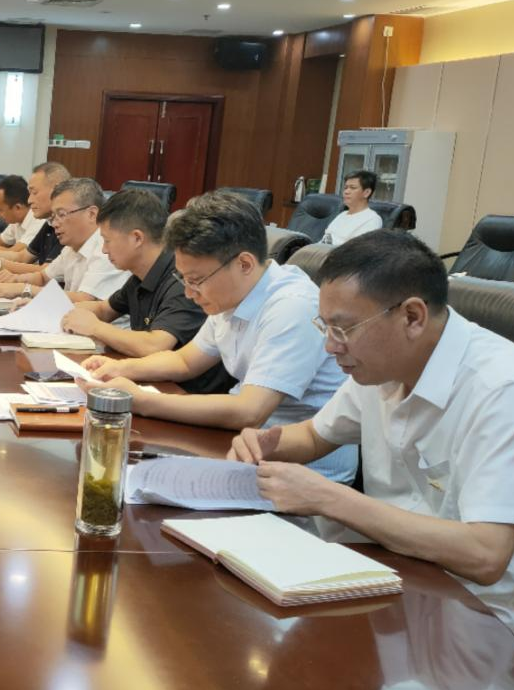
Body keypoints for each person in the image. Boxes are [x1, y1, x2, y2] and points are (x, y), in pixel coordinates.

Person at [227, 230, 514, 657]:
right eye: (325, 326)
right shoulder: (381, 364)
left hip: (483, 622)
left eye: (343, 328)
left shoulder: (506, 389)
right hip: (389, 573)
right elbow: (315, 435)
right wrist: (265, 441)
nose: (330, 346)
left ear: (412, 317)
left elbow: (485, 555)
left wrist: (328, 498)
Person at [82, 191, 355, 482]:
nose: (189, 293)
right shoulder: (231, 293)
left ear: (244, 264)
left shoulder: (292, 306)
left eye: (196, 280)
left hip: (303, 472)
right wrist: (119, 368)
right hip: (241, 447)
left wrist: (140, 400)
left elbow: (249, 411)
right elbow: (185, 361)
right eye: (184, 279)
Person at [61, 190, 234, 394]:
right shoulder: (141, 275)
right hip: (157, 383)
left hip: (184, 392)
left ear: (137, 238)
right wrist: (60, 311)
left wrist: (95, 327)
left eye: (107, 241)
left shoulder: (182, 279)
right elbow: (104, 309)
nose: (104, 250)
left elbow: (156, 346)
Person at [0, 178, 126, 303]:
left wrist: (24, 289)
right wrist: (15, 280)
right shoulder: (72, 246)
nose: (55, 223)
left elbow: (84, 300)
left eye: (61, 215)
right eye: (54, 216)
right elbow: (43, 277)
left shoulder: (106, 249)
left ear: (92, 214)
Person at [322, 170, 383, 245]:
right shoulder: (342, 215)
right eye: (345, 188)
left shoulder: (372, 219)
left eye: (352, 188)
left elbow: (358, 249)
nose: (346, 192)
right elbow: (325, 239)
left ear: (366, 193)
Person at [0, 175, 43, 250]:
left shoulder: (38, 220)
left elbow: (14, 252)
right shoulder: (16, 221)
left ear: (17, 207)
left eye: (0, 210)